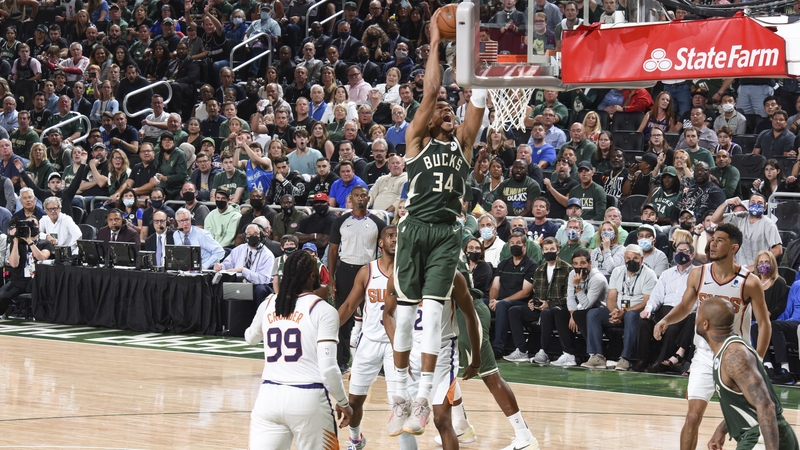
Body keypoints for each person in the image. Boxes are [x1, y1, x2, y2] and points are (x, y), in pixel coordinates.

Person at [654, 223, 771, 450]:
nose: (712, 244)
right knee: (692, 416)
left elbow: (764, 323)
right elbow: (685, 306)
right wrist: (665, 320)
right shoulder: (698, 274)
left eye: (720, 240)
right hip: (705, 355)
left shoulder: (749, 281)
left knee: (743, 417)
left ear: (734, 247)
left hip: (736, 357)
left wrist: (758, 358)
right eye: (712, 239)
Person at [244, 250, 353, 449]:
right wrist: (343, 402)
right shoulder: (323, 310)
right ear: (313, 276)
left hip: (269, 397)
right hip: (308, 396)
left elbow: (250, 338)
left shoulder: (269, 303)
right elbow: (329, 369)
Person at [332, 226, 416, 450]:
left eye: (398, 236)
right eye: (390, 236)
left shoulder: (408, 271)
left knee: (399, 403)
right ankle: (355, 439)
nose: (395, 239)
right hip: (369, 342)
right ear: (380, 243)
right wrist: (327, 331)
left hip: (396, 344)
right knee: (354, 400)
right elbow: (349, 306)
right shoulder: (367, 271)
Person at [699, 297, 799, 450]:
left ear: (705, 324)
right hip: (762, 434)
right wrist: (722, 428)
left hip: (761, 437)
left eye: (698, 314)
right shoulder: (728, 351)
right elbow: (746, 400)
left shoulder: (734, 356)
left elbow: (766, 406)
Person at [327, 184, 386, 373]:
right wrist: (331, 279)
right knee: (343, 316)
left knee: (375, 316)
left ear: (369, 198)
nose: (360, 198)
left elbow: (386, 251)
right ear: (350, 198)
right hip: (345, 270)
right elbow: (333, 251)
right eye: (356, 195)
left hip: (369, 271)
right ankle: (342, 361)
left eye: (363, 195)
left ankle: (380, 363)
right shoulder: (340, 221)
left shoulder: (378, 223)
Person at [506, 236, 571, 362]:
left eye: (552, 249)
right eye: (546, 249)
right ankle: (521, 350)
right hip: (540, 307)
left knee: (547, 313)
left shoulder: (567, 269)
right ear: (542, 251)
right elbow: (536, 292)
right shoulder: (539, 269)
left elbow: (568, 296)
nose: (548, 252)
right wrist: (533, 302)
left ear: (558, 250)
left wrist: (548, 304)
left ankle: (543, 351)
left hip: (558, 309)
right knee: (514, 311)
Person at [635, 241, 695, 373]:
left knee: (672, 328)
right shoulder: (667, 273)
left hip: (682, 311)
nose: (680, 254)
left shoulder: (696, 274)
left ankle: (661, 362)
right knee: (644, 321)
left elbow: (694, 301)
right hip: (664, 308)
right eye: (678, 251)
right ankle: (643, 359)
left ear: (692, 255)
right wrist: (649, 308)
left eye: (684, 251)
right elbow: (656, 296)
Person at [711, 193, 783, 271]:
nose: (756, 205)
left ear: (765, 208)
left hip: (759, 271)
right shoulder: (740, 217)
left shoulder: (768, 224)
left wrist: (756, 266)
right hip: (740, 269)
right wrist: (726, 202)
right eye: (753, 202)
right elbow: (715, 219)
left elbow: (778, 250)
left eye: (759, 203)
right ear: (748, 205)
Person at [0, 217, 53, 318]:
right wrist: (15, 241)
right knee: (2, 296)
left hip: (36, 280)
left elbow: (41, 257)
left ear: (38, 226)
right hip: (18, 279)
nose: (31, 227)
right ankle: (7, 310)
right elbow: (14, 264)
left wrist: (29, 241)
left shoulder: (44, 243)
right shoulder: (18, 243)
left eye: (34, 224)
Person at [214, 223, 275, 304]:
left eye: (255, 234)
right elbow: (228, 264)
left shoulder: (267, 255)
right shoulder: (238, 249)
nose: (253, 236)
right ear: (245, 236)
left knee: (260, 290)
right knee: (220, 287)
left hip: (257, 284)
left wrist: (243, 270)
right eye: (249, 234)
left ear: (261, 235)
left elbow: (263, 279)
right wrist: (221, 266)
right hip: (239, 282)